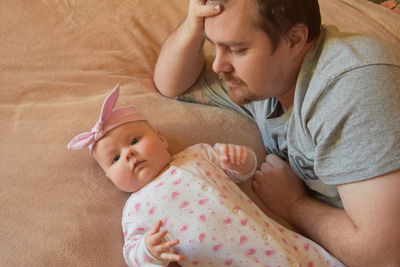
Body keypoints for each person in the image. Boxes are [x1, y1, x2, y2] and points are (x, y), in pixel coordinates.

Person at [153, 0, 400, 266]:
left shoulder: (352, 87)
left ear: (294, 39)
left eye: (237, 49)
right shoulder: (265, 78)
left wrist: (294, 204)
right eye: (214, 45)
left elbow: (384, 255)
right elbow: (171, 84)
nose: (219, 65)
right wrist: (193, 24)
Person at [67, 85, 344, 267]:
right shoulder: (135, 209)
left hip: (276, 241)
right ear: (109, 177)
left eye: (134, 140)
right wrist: (150, 252)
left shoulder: (197, 155)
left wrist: (240, 159)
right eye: (115, 159)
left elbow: (242, 172)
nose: (128, 154)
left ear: (161, 139)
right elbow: (132, 254)